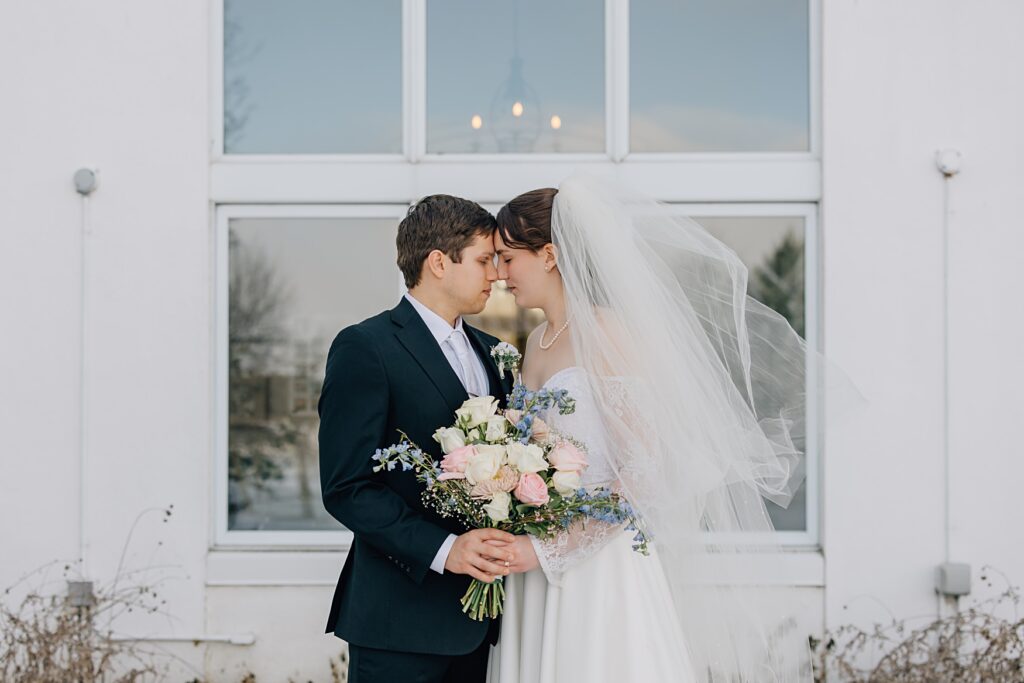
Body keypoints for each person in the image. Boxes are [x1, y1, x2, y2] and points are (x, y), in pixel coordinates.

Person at [487, 176, 833, 682]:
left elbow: (644, 473)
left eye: (507, 257)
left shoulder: (608, 332)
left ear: (549, 254)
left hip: (598, 569)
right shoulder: (536, 339)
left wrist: (545, 549)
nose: (499, 274)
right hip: (533, 568)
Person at [318, 194, 518, 683]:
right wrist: (446, 549)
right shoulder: (366, 347)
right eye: (483, 260)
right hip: (397, 624)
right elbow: (347, 486)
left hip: (480, 624)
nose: (495, 275)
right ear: (438, 263)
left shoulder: (496, 354)